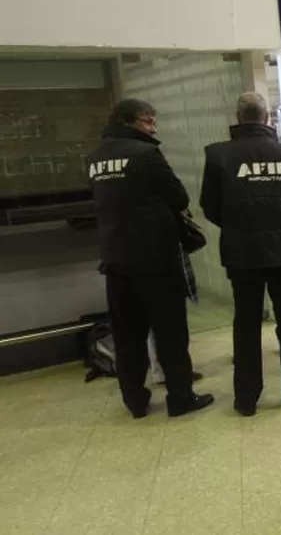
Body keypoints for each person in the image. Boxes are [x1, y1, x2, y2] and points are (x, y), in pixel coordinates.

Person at [87, 98, 214, 418]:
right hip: (156, 259)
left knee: (127, 335)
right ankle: (181, 397)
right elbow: (179, 196)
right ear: (128, 121)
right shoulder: (146, 154)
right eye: (148, 121)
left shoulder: (94, 158)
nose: (153, 127)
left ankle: (135, 401)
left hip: (116, 260)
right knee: (170, 331)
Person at [200, 92, 281, 416]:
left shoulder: (218, 156)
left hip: (242, 252)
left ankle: (246, 399)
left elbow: (210, 206)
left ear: (238, 118)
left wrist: (237, 225)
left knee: (246, 324)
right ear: (267, 118)